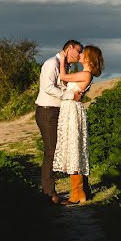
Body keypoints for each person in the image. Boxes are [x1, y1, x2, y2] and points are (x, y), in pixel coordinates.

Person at [35, 40, 84, 205]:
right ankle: (50, 194)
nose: (80, 54)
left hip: (57, 111)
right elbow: (48, 87)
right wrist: (71, 96)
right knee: (51, 151)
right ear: (69, 48)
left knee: (56, 150)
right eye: (79, 50)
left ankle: (53, 192)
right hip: (47, 111)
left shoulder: (64, 66)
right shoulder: (51, 63)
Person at [53, 45, 104, 204]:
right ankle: (78, 192)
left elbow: (62, 76)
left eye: (83, 53)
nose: (80, 55)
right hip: (71, 109)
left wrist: (62, 59)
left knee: (73, 149)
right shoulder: (84, 73)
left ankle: (78, 193)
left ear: (89, 58)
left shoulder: (86, 74)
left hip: (72, 111)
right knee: (72, 149)